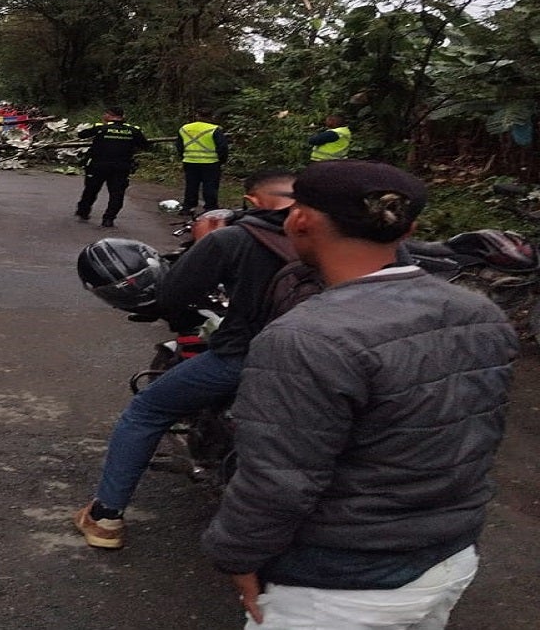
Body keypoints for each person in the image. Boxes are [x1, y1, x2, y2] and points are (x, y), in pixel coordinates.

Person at [201, 160, 517, 629]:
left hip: (340, 587)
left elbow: (278, 480)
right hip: (449, 560)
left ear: (300, 219)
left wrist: (236, 555)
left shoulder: (305, 337)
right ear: (409, 229)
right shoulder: (480, 313)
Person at [74, 169, 298, 549]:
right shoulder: (354, 237)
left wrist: (205, 243)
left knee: (146, 409)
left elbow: (172, 296)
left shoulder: (234, 238)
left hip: (249, 356)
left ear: (254, 200)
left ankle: (105, 517)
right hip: (342, 358)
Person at [75, 107, 150, 227]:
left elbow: (81, 135)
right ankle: (109, 219)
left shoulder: (101, 128)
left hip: (98, 166)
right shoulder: (133, 130)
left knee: (91, 190)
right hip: (121, 167)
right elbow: (145, 146)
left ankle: (83, 211)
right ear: (122, 116)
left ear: (109, 115)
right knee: (117, 194)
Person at [174, 109, 228, 215]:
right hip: (211, 162)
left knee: (191, 185)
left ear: (197, 115)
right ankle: (210, 208)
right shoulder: (215, 129)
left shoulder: (184, 128)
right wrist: (222, 160)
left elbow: (179, 146)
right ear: (211, 117)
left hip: (189, 161)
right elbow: (222, 147)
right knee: (210, 185)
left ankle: (188, 207)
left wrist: (183, 157)